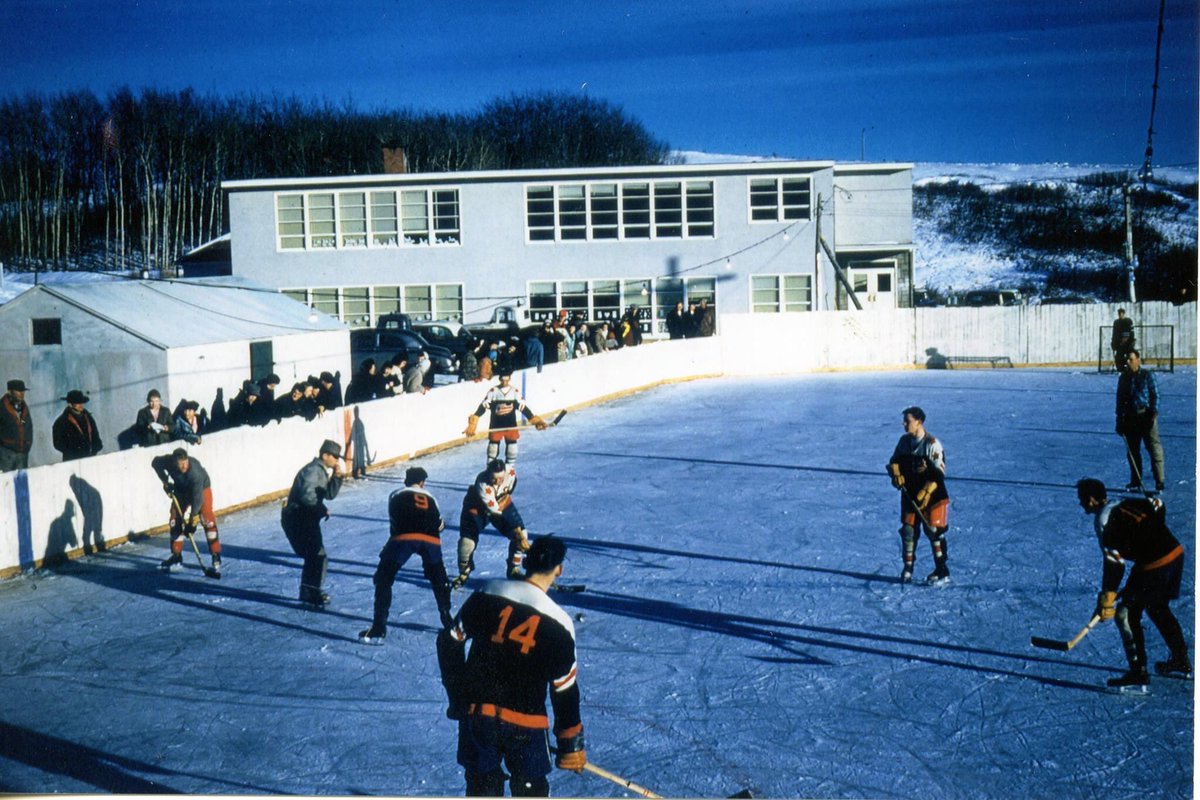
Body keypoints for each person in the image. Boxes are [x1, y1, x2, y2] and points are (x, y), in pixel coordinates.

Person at [436, 536, 586, 797]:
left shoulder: (489, 591)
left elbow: (449, 643)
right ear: (558, 569)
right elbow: (564, 691)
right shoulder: (560, 624)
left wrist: (458, 696)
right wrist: (570, 744)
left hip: (478, 716)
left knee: (482, 787)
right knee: (530, 790)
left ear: (526, 562)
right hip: (526, 725)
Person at [1075, 478, 1190, 691]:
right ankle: (1181, 660)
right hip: (1174, 554)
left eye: (1081, 499)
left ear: (1091, 500)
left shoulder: (1103, 519)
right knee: (1157, 608)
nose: (1081, 504)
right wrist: (1152, 533)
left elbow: (1114, 563)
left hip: (1155, 563)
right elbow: (1157, 504)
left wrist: (1107, 596)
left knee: (1125, 614)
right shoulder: (1124, 501)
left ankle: (1138, 673)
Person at [358, 466, 453, 644]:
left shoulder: (396, 494)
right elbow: (440, 525)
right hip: (431, 539)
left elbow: (394, 522)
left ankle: (379, 627)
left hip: (403, 537)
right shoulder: (431, 497)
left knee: (384, 578)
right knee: (439, 577)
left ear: (406, 481)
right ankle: (447, 617)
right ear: (422, 483)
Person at [886, 406, 950, 584]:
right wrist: (896, 474)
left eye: (908, 421)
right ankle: (907, 569)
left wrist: (926, 493)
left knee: (934, 532)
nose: (904, 424)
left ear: (919, 422)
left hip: (933, 497)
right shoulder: (904, 442)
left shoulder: (932, 444)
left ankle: (942, 570)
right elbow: (894, 461)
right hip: (910, 495)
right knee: (908, 531)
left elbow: (939, 473)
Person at [281, 439, 344, 607]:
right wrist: (321, 509)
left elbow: (328, 494)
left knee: (316, 555)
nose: (337, 460)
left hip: (304, 517)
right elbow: (306, 496)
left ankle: (309, 591)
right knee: (316, 555)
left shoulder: (321, 471)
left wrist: (337, 478)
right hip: (298, 517)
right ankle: (310, 591)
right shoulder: (313, 471)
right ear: (325, 455)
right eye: (335, 457)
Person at [453, 459, 532, 588]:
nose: (497, 482)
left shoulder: (510, 472)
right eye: (494, 479)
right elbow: (495, 513)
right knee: (466, 544)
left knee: (523, 533)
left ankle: (514, 569)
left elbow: (511, 486)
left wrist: (519, 534)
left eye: (500, 478)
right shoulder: (482, 483)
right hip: (477, 509)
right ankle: (464, 572)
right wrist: (516, 533)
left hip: (501, 504)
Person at [152, 447, 222, 574]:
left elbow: (197, 500)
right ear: (174, 462)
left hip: (201, 490)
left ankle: (215, 553)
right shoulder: (168, 461)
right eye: (181, 464)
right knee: (174, 519)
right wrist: (165, 482)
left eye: (185, 462)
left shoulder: (194, 473)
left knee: (206, 519)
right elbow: (155, 462)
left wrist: (192, 522)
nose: (184, 466)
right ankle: (176, 555)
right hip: (181, 489)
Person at [464, 370, 548, 465]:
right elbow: (483, 407)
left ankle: (510, 468)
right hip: (496, 426)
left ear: (509, 379)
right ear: (500, 379)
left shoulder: (514, 392)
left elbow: (523, 408)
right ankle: (490, 467)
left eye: (507, 380)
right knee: (493, 449)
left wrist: (535, 420)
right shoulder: (494, 391)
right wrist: (474, 421)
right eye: (503, 380)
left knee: (512, 449)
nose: (504, 382)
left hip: (511, 425)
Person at [1116, 349, 1165, 494]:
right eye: (1126, 360)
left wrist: (1153, 414)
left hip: (1146, 416)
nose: (1128, 362)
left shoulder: (1147, 375)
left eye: (1131, 359)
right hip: (1130, 418)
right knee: (1132, 451)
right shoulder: (1124, 378)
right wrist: (1119, 419)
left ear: (1138, 360)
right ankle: (1136, 480)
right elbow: (1119, 401)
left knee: (1154, 449)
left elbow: (1155, 395)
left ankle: (1159, 481)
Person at [52, 390, 103, 461]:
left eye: (81, 402)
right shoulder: (61, 422)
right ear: (70, 404)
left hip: (90, 458)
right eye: (77, 403)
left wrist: (95, 450)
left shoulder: (88, 417)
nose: (81, 405)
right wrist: (73, 451)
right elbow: (58, 444)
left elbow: (95, 436)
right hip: (72, 461)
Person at [0, 379, 33, 471]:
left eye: (23, 391)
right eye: (18, 391)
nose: (22, 393)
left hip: (22, 454)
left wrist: (27, 444)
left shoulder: (24, 408)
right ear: (10, 392)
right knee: (4, 482)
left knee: (20, 482)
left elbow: (28, 427)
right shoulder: (1, 408)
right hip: (6, 454)